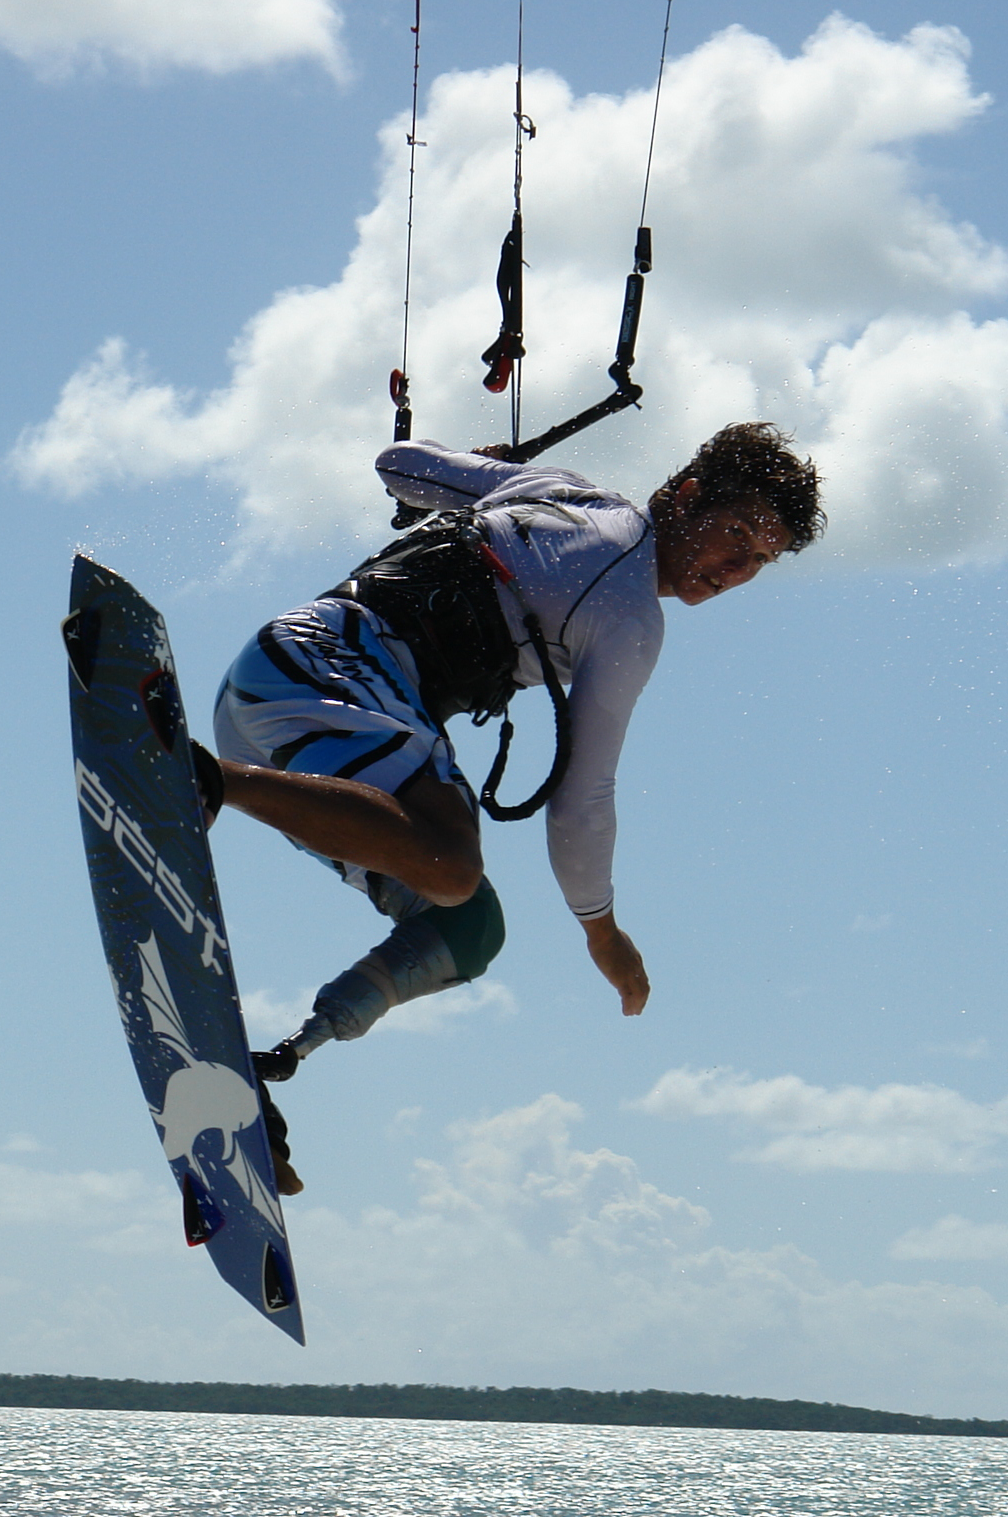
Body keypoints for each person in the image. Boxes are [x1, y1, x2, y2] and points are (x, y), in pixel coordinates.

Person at [203, 422, 824, 1194]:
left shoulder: (563, 490)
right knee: (448, 862)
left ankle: (273, 1060)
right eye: (734, 534)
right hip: (328, 671)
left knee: (466, 925)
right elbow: (581, 799)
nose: (735, 569)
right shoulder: (629, 616)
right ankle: (208, 781)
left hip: (278, 694)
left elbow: (399, 465)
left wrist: (491, 475)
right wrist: (601, 931)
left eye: (759, 558)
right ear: (687, 494)